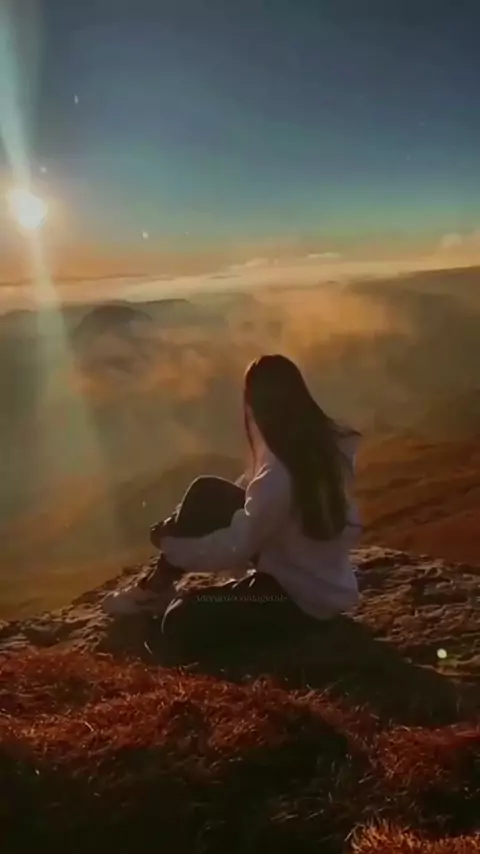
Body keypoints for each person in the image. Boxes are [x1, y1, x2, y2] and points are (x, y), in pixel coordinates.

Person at [103, 354, 362, 652]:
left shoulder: (280, 475)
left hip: (292, 598)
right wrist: (175, 524)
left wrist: (172, 546)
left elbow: (237, 547)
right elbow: (258, 498)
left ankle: (157, 594)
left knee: (178, 621)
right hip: (320, 581)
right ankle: (155, 590)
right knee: (208, 492)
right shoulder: (328, 445)